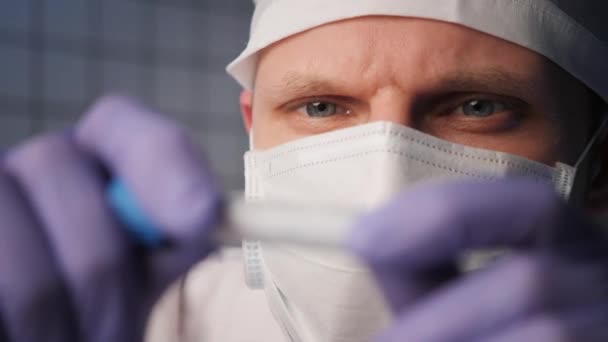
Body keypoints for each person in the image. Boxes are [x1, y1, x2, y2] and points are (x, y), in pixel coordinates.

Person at [1, 1, 608, 341]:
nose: (384, 182)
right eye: (320, 107)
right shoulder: (156, 322)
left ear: (600, 165)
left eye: (477, 106)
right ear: (253, 132)